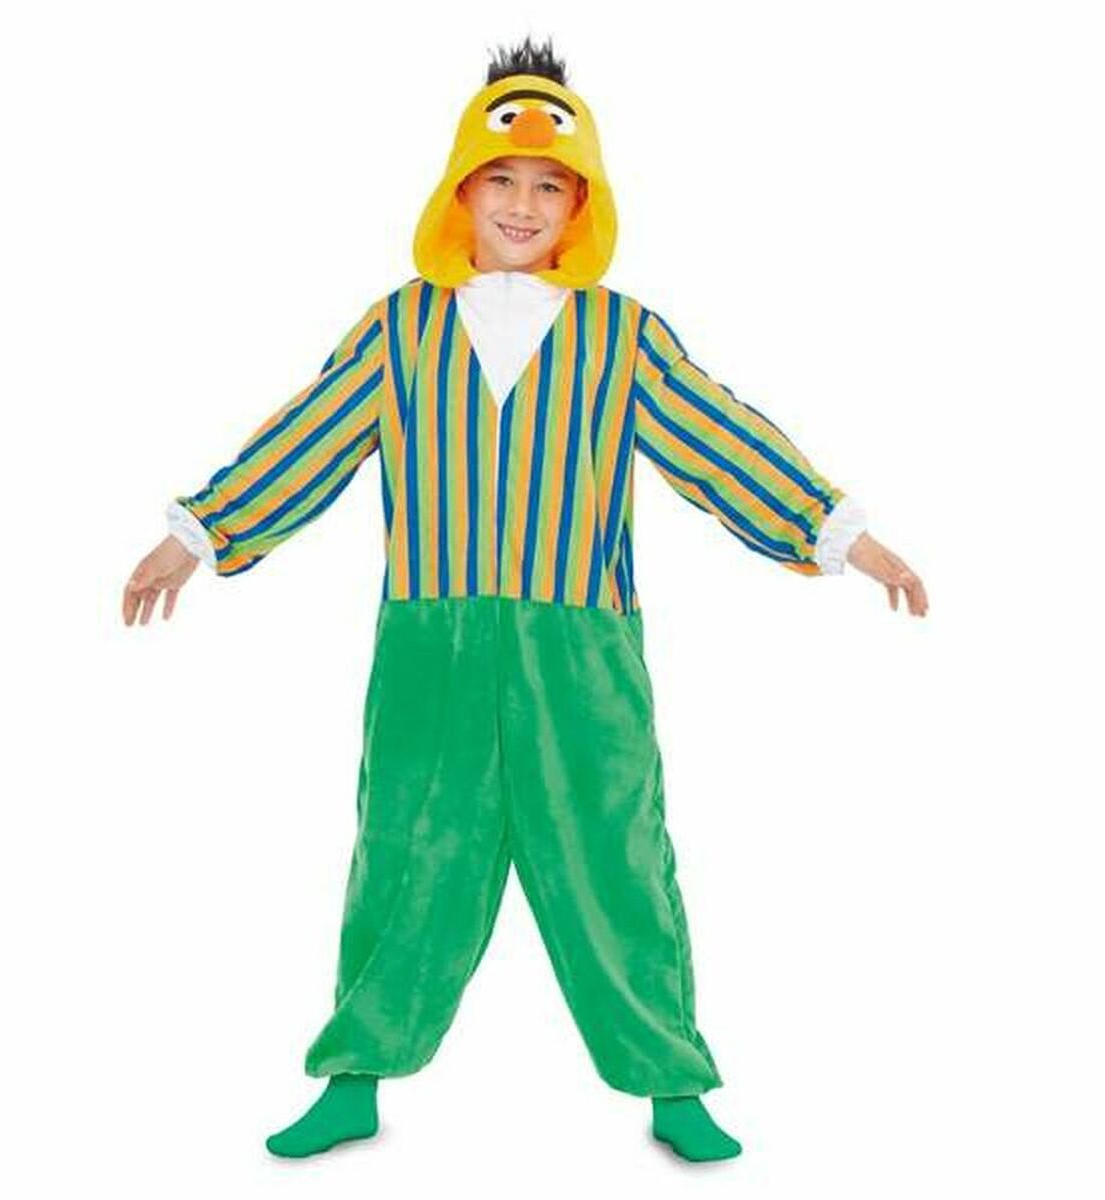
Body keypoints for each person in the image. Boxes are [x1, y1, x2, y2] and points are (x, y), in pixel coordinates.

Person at [121, 36, 928, 1164]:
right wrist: (195, 534)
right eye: (500, 179)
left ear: (581, 204)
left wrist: (843, 535)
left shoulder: (622, 336)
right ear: (460, 190)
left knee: (616, 859)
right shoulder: (400, 328)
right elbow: (307, 435)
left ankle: (672, 1084)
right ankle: (355, 1076)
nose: (522, 204)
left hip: (581, 652)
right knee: (407, 853)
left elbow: (721, 440)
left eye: (550, 186)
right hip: (431, 644)